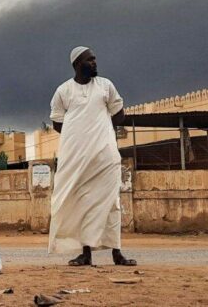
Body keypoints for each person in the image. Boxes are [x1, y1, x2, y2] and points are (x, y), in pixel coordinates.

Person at [48, 46, 137, 267]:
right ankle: (85, 254)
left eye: (95, 59)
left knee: (111, 203)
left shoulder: (106, 86)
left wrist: (100, 132)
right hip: (76, 158)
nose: (95, 63)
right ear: (78, 64)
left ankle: (117, 254)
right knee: (81, 202)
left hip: (105, 156)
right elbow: (58, 122)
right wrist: (81, 136)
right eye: (90, 60)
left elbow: (119, 114)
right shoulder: (63, 91)